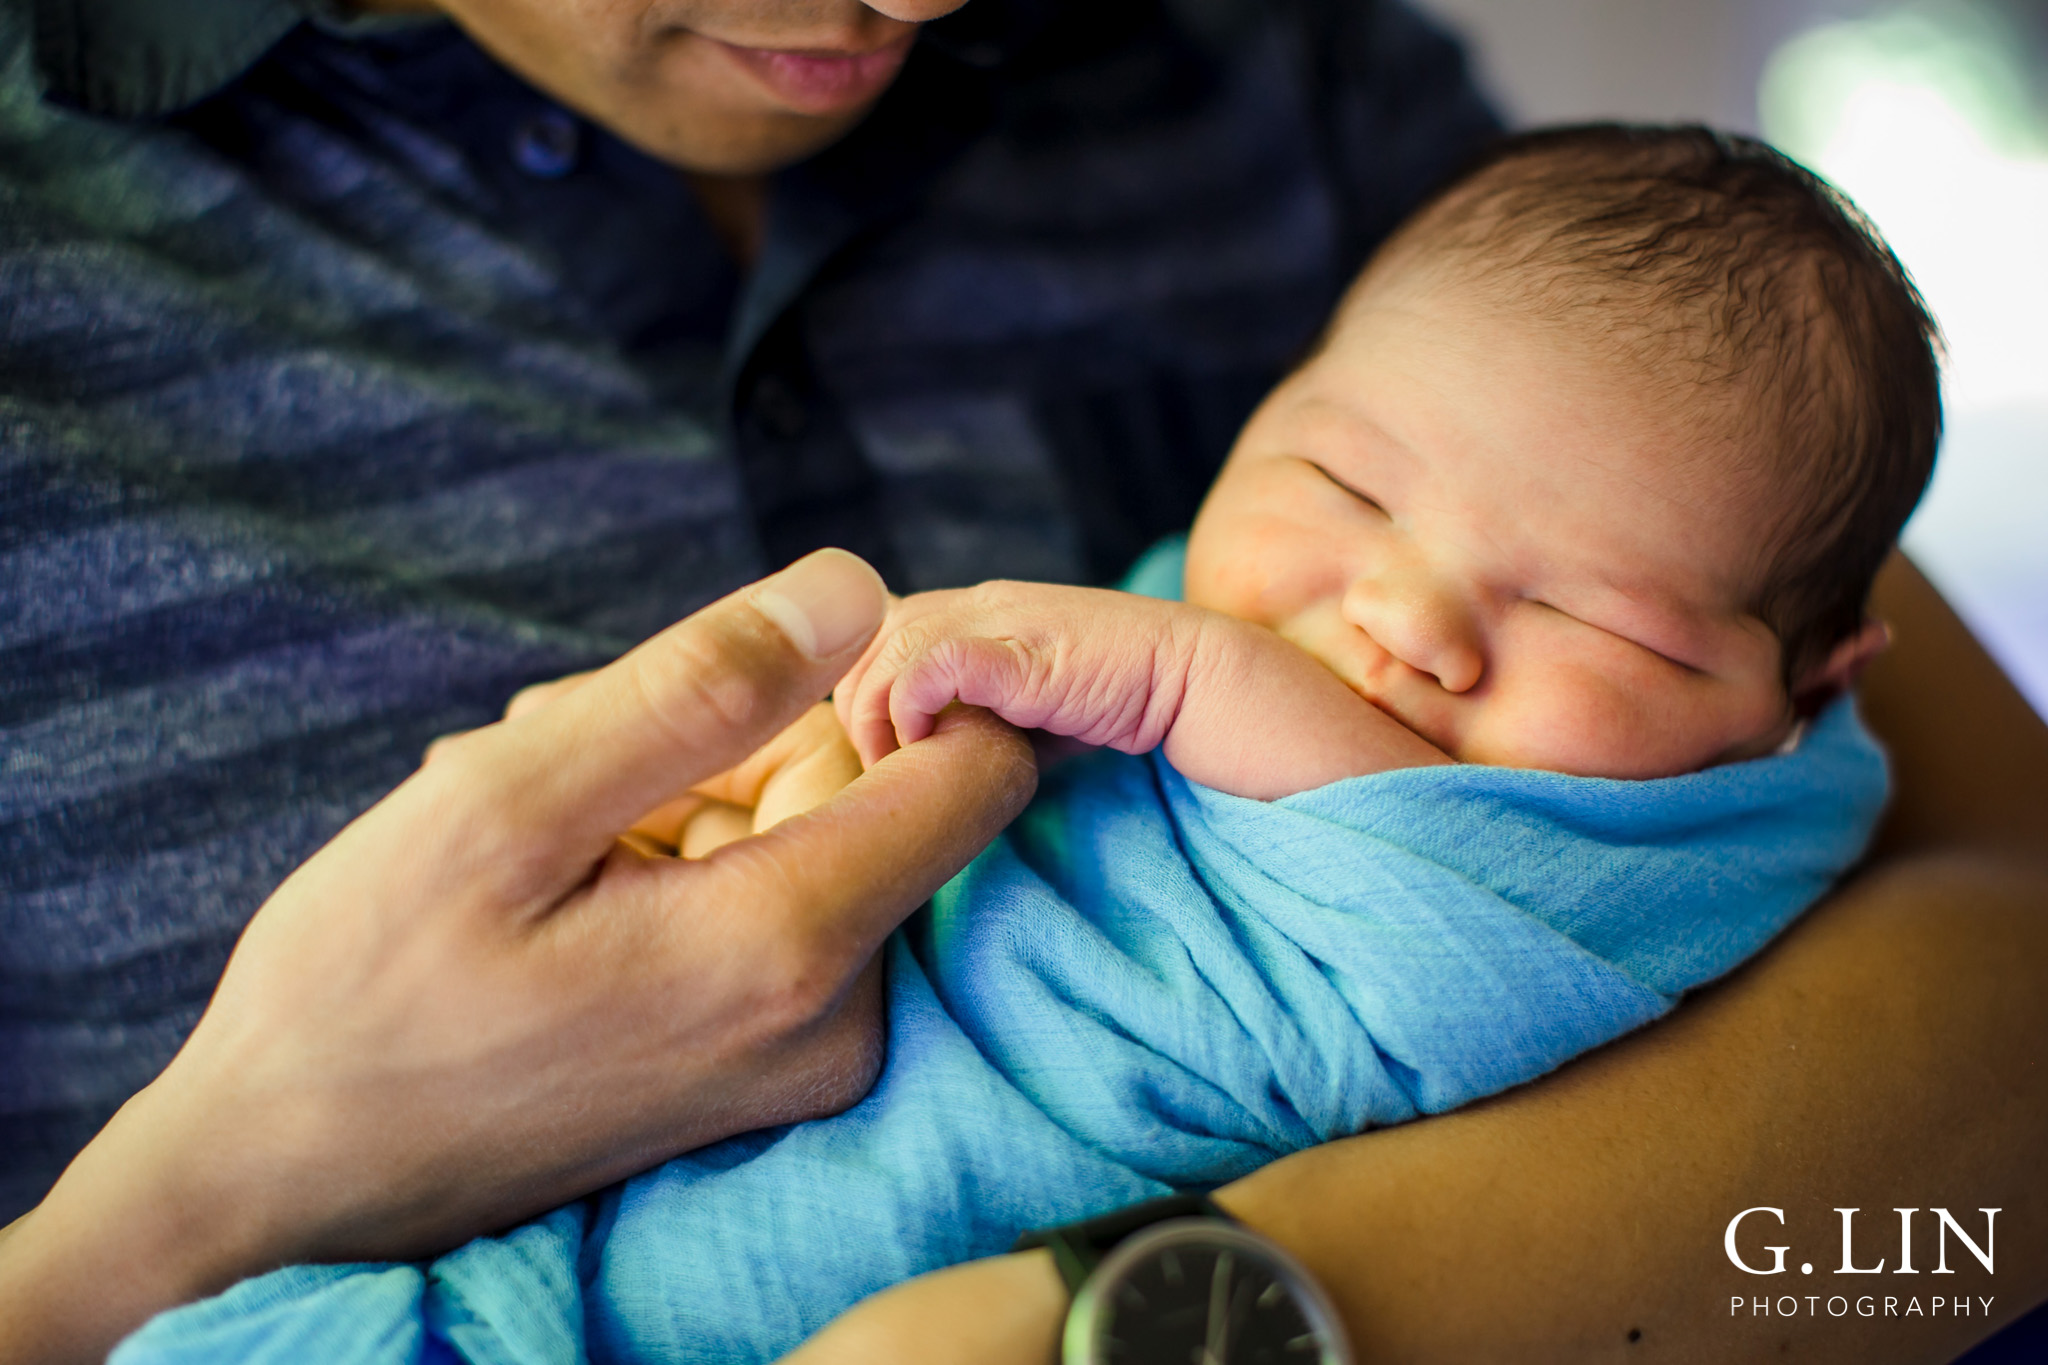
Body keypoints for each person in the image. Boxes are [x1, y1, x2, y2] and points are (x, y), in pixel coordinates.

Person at [0, 0, 2041, 1362]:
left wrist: (1147, 1321)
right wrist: (233, 1171)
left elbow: (2019, 992)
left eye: (1596, 619)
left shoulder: (1330, 112)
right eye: (1331, 479)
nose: (1408, 619)